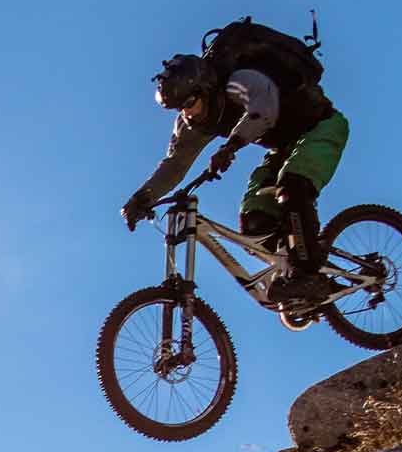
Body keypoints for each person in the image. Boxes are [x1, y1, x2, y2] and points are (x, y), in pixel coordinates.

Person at [123, 22, 349, 308]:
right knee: (255, 222)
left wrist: (230, 146)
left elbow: (264, 112)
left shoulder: (239, 81)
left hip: (321, 127)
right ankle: (293, 276)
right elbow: (175, 165)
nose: (188, 112)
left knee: (292, 185)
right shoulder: (193, 122)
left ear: (203, 87)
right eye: (180, 107)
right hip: (284, 148)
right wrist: (142, 198)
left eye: (190, 102)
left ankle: (308, 273)